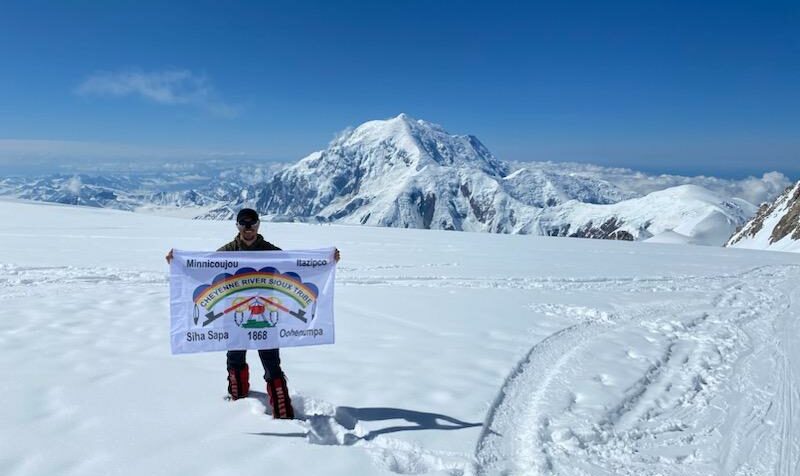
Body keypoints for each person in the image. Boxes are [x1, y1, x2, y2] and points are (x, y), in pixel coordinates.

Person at [166, 208, 340, 419]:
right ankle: (237, 405)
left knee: (271, 362)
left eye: (252, 224)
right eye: (243, 224)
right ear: (238, 226)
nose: (248, 229)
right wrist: (177, 262)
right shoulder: (227, 252)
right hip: (234, 316)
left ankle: (282, 410)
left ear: (258, 225)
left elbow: (297, 266)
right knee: (235, 358)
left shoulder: (270, 251)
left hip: (268, 314)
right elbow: (202, 268)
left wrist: (327, 261)